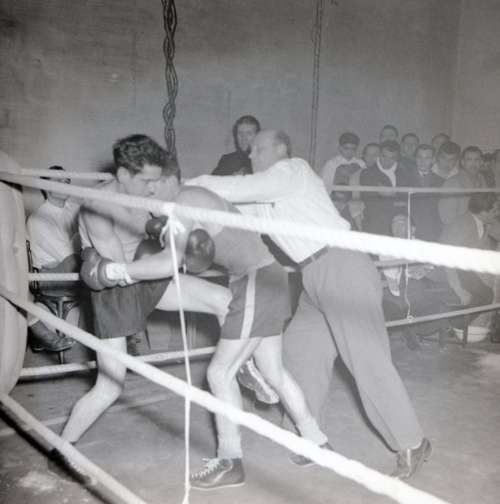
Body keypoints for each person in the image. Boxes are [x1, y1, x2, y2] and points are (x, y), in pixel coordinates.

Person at [186, 129, 430, 479]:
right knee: (301, 351)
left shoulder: (293, 170)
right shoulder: (265, 196)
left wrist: (184, 184)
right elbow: (226, 204)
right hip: (312, 276)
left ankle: (412, 442)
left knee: (366, 357)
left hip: (342, 264)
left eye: (257, 149)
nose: (251, 156)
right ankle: (310, 439)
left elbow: (238, 189)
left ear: (279, 149)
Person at [104, 171, 331, 490]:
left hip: (255, 281)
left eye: (154, 185)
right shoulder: (195, 199)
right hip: (267, 278)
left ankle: (230, 461)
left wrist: (117, 270)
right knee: (274, 370)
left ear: (169, 178)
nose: (151, 193)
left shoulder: (185, 200)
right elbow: (198, 259)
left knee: (219, 373)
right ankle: (316, 441)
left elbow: (168, 264)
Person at [48, 135, 231, 485]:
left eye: (155, 180)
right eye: (146, 181)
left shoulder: (145, 193)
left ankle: (240, 364)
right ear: (123, 175)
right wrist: (168, 252)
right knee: (110, 385)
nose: (152, 188)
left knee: (223, 300)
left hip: (143, 272)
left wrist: (171, 235)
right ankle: (62, 451)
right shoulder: (97, 207)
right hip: (116, 287)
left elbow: (155, 232)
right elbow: (123, 270)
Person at [26, 166, 78, 353]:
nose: (65, 184)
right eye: (59, 180)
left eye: (67, 181)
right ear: (46, 187)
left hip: (70, 269)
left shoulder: (74, 209)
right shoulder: (39, 218)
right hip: (51, 277)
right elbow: (70, 257)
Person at [439, 193, 497, 331]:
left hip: (465, 268)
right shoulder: (461, 225)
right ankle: (454, 325)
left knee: (486, 295)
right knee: (486, 295)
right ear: (483, 212)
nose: (497, 213)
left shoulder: (483, 221)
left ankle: (455, 325)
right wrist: (458, 289)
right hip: (447, 267)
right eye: (494, 210)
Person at [360, 140, 407, 236]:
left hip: (399, 227)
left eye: (392, 158)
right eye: (384, 156)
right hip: (375, 226)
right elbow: (371, 202)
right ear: (379, 155)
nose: (387, 161)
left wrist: (391, 194)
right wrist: (397, 200)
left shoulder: (404, 173)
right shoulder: (367, 173)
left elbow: (407, 199)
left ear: (397, 158)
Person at [320, 132, 366, 229]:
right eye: (346, 148)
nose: (350, 152)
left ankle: (361, 231)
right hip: (337, 199)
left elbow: (364, 184)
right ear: (340, 148)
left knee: (357, 208)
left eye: (353, 149)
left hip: (355, 198)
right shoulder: (331, 164)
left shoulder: (361, 163)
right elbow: (325, 186)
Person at [400, 144, 444, 242]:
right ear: (415, 158)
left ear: (433, 160)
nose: (422, 161)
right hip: (410, 230)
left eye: (427, 158)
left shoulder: (441, 182)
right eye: (419, 157)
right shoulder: (403, 178)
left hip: (432, 230)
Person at [438, 145, 487, 225]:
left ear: (481, 162)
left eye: (477, 160)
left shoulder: (483, 180)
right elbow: (446, 218)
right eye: (469, 160)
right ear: (462, 162)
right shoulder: (452, 183)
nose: (473, 164)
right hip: (461, 230)